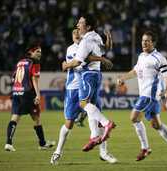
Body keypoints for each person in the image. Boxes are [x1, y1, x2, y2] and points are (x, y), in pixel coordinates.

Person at [50, 29, 117, 164]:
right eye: (73, 31)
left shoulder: (88, 43)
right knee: (69, 124)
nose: (76, 33)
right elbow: (83, 60)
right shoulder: (72, 48)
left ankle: (103, 152)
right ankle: (57, 152)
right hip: (73, 88)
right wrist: (102, 59)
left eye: (77, 31)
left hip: (87, 84)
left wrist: (108, 39)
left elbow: (99, 51)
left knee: (97, 117)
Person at [118, 31, 167, 161]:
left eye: (147, 40)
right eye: (143, 40)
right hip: (145, 95)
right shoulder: (141, 56)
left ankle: (145, 148)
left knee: (134, 117)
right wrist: (123, 77)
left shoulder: (159, 58)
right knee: (156, 125)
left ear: (153, 42)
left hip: (150, 96)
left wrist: (165, 92)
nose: (144, 43)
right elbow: (135, 71)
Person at [62, 14, 116, 152]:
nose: (77, 25)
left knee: (83, 103)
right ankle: (94, 137)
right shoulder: (96, 36)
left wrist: (66, 66)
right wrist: (109, 38)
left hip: (87, 75)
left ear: (88, 26)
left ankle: (106, 123)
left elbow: (79, 61)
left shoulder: (86, 41)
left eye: (81, 23)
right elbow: (105, 50)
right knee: (90, 105)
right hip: (96, 74)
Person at [4, 44, 55, 152]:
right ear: (30, 52)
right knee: (36, 118)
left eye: (40, 52)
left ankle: (8, 143)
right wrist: (38, 94)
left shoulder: (20, 62)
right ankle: (42, 144)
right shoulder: (34, 62)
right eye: (37, 52)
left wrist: (15, 90)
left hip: (16, 92)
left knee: (15, 117)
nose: (39, 54)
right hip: (28, 93)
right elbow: (34, 80)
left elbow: (14, 78)